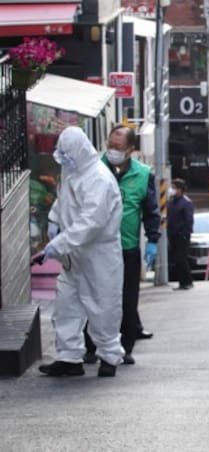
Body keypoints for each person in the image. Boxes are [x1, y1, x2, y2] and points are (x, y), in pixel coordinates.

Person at [36, 127, 125, 377]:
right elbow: (63, 200)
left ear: (80, 150)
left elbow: (92, 222)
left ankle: (109, 356)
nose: (64, 158)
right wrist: (54, 220)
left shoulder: (99, 179)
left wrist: (59, 243)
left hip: (99, 253)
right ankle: (69, 357)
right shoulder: (73, 171)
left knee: (102, 304)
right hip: (73, 253)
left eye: (67, 153)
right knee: (66, 305)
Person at [83, 124, 161, 366]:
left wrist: (153, 240)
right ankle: (90, 346)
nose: (112, 151)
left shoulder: (143, 174)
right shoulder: (94, 170)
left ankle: (125, 348)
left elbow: (150, 211)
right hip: (96, 248)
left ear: (131, 150)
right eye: (110, 146)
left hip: (127, 249)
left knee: (127, 301)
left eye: (118, 147)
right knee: (94, 297)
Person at [167, 178, 194, 290]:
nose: (172, 190)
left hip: (182, 236)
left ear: (180, 189)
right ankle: (182, 282)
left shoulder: (186, 203)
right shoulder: (171, 202)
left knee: (181, 259)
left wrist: (184, 233)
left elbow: (189, 220)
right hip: (173, 235)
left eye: (174, 188)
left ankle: (187, 282)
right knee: (176, 260)